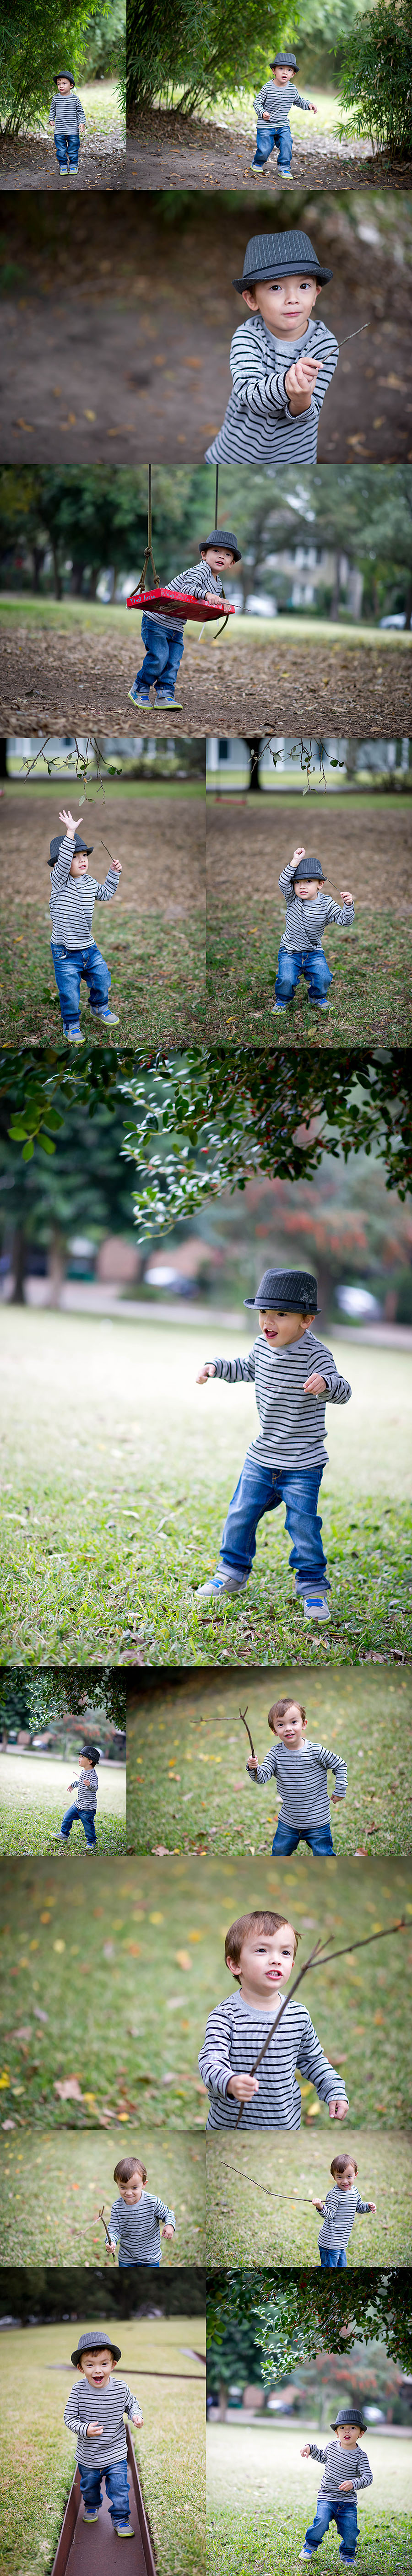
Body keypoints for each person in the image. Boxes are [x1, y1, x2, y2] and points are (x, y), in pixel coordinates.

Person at [195, 1266, 351, 1622]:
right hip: (262, 1456)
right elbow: (246, 1367)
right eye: (264, 1313)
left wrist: (326, 1383)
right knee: (240, 1514)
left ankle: (312, 1588)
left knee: (304, 1527)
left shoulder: (316, 1355)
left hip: (303, 1463)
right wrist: (215, 1367)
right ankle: (232, 1573)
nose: (269, 1321)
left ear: (306, 1321)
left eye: (281, 1314)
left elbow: (345, 1390)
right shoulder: (262, 1347)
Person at [198, 1908, 349, 2129]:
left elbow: (313, 2060)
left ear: (292, 1966)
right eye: (262, 1950)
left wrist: (333, 2088)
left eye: (285, 1953)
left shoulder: (298, 2015)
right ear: (236, 1964)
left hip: (284, 2126)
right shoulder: (225, 2017)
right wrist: (230, 2083)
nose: (276, 1960)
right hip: (232, 2127)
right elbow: (210, 2063)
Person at [205, 230, 338, 466]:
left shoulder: (324, 344)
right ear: (252, 299)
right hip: (236, 456)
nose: (293, 299)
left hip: (294, 460)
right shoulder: (247, 338)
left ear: (317, 294)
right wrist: (287, 385)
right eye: (276, 288)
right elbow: (250, 395)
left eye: (304, 286)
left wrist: (301, 400)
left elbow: (309, 412)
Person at [128, 530, 241, 711]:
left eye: (227, 555)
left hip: (176, 626)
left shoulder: (218, 583)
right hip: (158, 620)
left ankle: (165, 694)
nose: (221, 556)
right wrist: (209, 595)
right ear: (204, 555)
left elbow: (203, 605)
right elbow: (188, 589)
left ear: (231, 564)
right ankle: (139, 689)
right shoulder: (201, 570)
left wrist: (221, 606)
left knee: (173, 662)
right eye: (216, 551)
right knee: (159, 657)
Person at [48, 808, 121, 1041]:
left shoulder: (89, 882)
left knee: (102, 978)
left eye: (84, 856)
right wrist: (70, 832)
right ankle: (71, 1024)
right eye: (74, 857)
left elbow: (106, 894)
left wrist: (113, 874)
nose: (81, 860)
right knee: (69, 992)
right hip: (65, 951)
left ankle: (99, 1006)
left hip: (89, 947)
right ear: (61, 863)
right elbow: (62, 865)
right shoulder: (60, 882)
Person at [64, 2328, 143, 2538]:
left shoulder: (121, 2388)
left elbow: (132, 2404)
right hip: (88, 2455)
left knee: (119, 2490)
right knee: (89, 2487)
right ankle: (92, 2505)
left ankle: (121, 2519)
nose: (98, 2370)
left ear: (113, 2365)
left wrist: (135, 2415)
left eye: (104, 2364)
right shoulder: (78, 2391)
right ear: (81, 2368)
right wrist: (85, 2429)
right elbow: (69, 2418)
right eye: (90, 2365)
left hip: (115, 2452)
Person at [245, 1694, 347, 1855]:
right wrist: (254, 1768)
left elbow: (340, 1765)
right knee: (279, 1851)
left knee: (323, 1854)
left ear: (304, 1724)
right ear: (274, 1731)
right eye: (281, 1725)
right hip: (289, 1822)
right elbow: (262, 1778)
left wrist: (340, 1789)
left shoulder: (316, 1751)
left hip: (318, 1822)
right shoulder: (275, 1754)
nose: (288, 1728)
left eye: (294, 1722)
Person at [274, 844, 354, 1013]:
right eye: (298, 883)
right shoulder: (292, 899)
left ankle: (317, 997)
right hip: (290, 952)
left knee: (323, 977)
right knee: (286, 979)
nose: (302, 887)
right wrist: (295, 861)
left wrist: (348, 905)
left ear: (321, 884)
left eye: (309, 882)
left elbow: (345, 921)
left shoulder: (327, 904)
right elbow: (283, 881)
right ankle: (283, 1000)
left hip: (314, 952)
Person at [299, 2407, 373, 2562]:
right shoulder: (332, 2447)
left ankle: (347, 2554)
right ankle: (309, 2547)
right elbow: (321, 2456)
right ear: (337, 2432)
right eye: (343, 2428)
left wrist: (354, 2483)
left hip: (348, 2502)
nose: (347, 2431)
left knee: (351, 2531)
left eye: (353, 2428)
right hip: (327, 2496)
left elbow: (368, 2477)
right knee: (322, 2520)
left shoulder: (361, 2456)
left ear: (361, 2434)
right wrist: (310, 2448)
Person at [251, 51, 317, 178]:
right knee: (265, 149)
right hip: (266, 125)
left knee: (287, 143)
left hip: (282, 125)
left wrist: (309, 105)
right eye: (281, 68)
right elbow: (257, 103)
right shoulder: (267, 88)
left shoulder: (292, 89)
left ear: (293, 74)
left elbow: (299, 100)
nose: (285, 72)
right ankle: (258, 163)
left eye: (289, 70)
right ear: (274, 71)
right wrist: (263, 112)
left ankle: (285, 168)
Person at [107, 2155, 176, 2265]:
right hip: (127, 2259)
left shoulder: (152, 2202)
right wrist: (111, 2242)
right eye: (123, 2187)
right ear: (118, 2184)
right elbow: (115, 2229)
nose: (128, 2193)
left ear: (144, 2184)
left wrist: (169, 2225)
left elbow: (168, 2214)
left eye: (134, 2188)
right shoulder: (117, 2207)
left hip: (151, 2258)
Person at [312, 2152, 377, 2266]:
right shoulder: (335, 2195)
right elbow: (330, 2214)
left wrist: (368, 2206)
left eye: (349, 2177)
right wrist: (321, 2207)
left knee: (342, 2267)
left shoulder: (355, 2191)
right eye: (340, 2177)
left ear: (356, 2175)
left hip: (342, 2242)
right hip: (330, 2243)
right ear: (334, 2177)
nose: (345, 2181)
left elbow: (359, 2207)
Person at [56, 1744, 100, 1851]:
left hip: (88, 1808)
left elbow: (96, 1787)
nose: (79, 1759)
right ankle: (64, 1835)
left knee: (88, 1826)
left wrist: (90, 1784)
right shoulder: (84, 1771)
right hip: (78, 1804)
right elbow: (80, 1781)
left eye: (82, 1757)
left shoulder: (93, 1775)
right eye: (80, 1756)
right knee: (67, 1816)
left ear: (90, 1761)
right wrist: (73, 1785)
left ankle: (91, 1842)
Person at [49, 71, 86, 176]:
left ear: (71, 86)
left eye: (64, 84)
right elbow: (53, 110)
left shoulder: (75, 99)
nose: (61, 86)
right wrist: (51, 119)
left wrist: (82, 123)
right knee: (61, 150)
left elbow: (80, 113)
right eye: (59, 84)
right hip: (59, 131)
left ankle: (74, 166)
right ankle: (63, 166)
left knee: (73, 150)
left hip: (73, 131)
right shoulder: (56, 98)